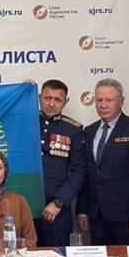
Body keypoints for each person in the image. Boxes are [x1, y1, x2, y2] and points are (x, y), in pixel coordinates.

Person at [76, 78, 129, 245]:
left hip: (126, 217)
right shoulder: (89, 131)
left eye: (109, 100)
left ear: (121, 102)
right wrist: (83, 211)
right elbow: (87, 174)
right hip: (96, 215)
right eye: (99, 100)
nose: (103, 105)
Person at [34, 79, 86, 247]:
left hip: (56, 208)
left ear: (66, 102)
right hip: (25, 205)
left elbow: (79, 171)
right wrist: (23, 91)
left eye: (57, 100)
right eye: (47, 98)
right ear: (39, 98)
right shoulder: (25, 121)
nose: (51, 104)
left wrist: (59, 201)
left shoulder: (73, 129)